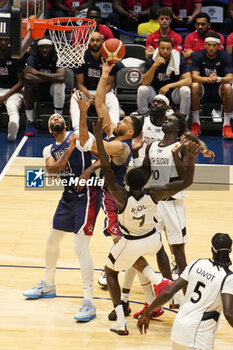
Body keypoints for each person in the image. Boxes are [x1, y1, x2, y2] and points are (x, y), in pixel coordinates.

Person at [94, 115, 199, 335]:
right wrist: (191, 159)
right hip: (151, 239)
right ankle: (155, 289)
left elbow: (106, 168)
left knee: (110, 271)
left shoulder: (122, 197)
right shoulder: (154, 195)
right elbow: (186, 182)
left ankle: (122, 320)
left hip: (133, 242)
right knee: (160, 249)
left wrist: (97, 136)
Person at [22, 114, 101, 323]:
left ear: (64, 124)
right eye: (51, 119)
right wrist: (69, 149)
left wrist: (88, 172)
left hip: (88, 193)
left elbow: (104, 156)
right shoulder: (48, 150)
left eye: (58, 117)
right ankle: (48, 284)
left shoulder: (80, 136)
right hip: (68, 196)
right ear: (50, 129)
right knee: (52, 240)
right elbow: (53, 171)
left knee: (80, 247)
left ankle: (89, 302)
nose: (55, 118)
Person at [137, 233, 233, 350]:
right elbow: (228, 313)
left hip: (178, 330)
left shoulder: (196, 264)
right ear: (230, 251)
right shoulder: (227, 277)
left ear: (212, 249)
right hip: (199, 336)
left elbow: (169, 292)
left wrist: (147, 312)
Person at [69, 31, 121, 132]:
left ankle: (113, 130)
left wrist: (99, 95)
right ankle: (77, 130)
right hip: (86, 92)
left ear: (102, 41)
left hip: (104, 93)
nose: (95, 43)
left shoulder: (108, 57)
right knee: (75, 97)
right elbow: (79, 84)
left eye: (97, 40)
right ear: (88, 42)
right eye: (92, 40)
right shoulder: (82, 57)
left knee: (114, 101)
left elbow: (109, 85)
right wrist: (89, 94)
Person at [190, 32, 233, 138]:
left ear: (219, 46)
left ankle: (227, 125)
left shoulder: (226, 56)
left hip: (219, 88)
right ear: (204, 45)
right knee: (194, 85)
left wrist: (217, 79)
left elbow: (230, 78)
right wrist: (208, 79)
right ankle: (196, 124)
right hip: (203, 88)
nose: (211, 48)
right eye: (209, 45)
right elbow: (194, 77)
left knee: (228, 87)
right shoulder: (197, 55)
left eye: (214, 45)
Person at [136, 37, 191, 117]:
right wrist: (154, 66)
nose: (165, 51)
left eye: (168, 49)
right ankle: (144, 116)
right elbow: (145, 82)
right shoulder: (151, 59)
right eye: (162, 48)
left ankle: (183, 119)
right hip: (155, 93)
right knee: (142, 89)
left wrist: (168, 86)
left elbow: (188, 80)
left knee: (186, 90)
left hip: (173, 94)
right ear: (158, 48)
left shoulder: (179, 59)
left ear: (172, 48)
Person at [23, 38, 66, 137]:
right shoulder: (32, 58)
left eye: (47, 47)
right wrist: (52, 78)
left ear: (51, 48)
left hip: (52, 90)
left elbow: (61, 77)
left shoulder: (57, 57)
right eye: (42, 47)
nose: (45, 49)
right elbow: (27, 77)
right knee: (28, 85)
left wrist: (37, 73)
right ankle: (30, 122)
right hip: (37, 89)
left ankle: (57, 121)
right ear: (38, 48)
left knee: (60, 85)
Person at [0, 37, 24, 142]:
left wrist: (5, 96)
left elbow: (21, 82)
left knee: (12, 107)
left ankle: (12, 131)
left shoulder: (16, 56)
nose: (3, 42)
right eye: (0, 40)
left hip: (13, 91)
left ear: (9, 41)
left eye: (5, 40)